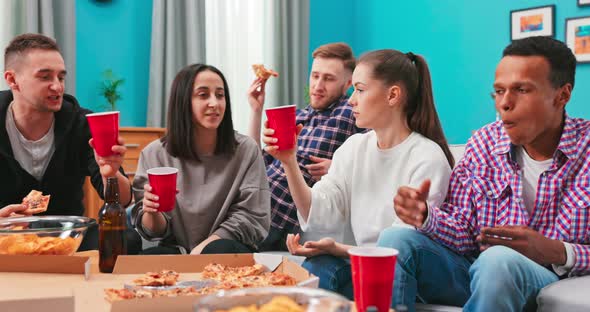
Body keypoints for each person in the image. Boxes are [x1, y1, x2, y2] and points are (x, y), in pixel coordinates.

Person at [378, 36, 589, 312]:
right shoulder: (484, 142)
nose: (505, 103)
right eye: (499, 92)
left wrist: (558, 251)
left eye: (522, 90)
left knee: (498, 260)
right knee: (394, 241)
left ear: (562, 95)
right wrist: (426, 216)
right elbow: (464, 230)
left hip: (544, 275)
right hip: (478, 272)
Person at [264, 49, 454, 298]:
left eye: (360, 90)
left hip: (411, 274)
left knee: (391, 253)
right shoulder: (354, 148)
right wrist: (289, 162)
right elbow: (318, 211)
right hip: (363, 263)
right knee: (319, 267)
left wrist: (339, 249)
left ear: (393, 95)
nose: (352, 100)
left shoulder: (427, 157)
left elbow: (401, 248)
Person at [0, 33, 136, 251]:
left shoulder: (82, 124)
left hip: (68, 236)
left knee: (126, 239)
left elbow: (124, 200)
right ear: (12, 79)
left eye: (61, 77)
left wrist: (111, 174)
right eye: (45, 77)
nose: (57, 87)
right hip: (5, 237)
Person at [132, 63, 270, 255]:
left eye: (220, 95)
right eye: (203, 95)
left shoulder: (246, 150)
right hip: (176, 251)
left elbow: (251, 216)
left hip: (225, 248)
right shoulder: (154, 154)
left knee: (219, 250)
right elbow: (154, 232)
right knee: (147, 259)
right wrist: (151, 211)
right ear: (183, 101)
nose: (214, 103)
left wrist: (202, 250)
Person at [248, 42, 363, 251]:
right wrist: (256, 110)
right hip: (253, 198)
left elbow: (379, 153)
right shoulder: (297, 116)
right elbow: (255, 164)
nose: (318, 85)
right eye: (315, 75)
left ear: (347, 84)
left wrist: (338, 168)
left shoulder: (353, 113)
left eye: (328, 79)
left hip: (280, 215)